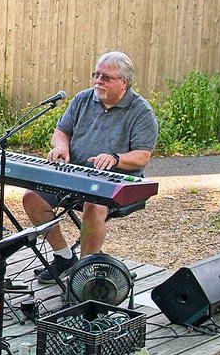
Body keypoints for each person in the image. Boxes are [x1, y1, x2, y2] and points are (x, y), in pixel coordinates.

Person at [21, 50, 158, 281]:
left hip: (115, 183)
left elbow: (143, 156)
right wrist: (61, 147)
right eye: (96, 75)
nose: (98, 81)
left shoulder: (141, 111)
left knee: (93, 205)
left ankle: (83, 272)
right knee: (31, 197)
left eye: (106, 78)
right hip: (75, 174)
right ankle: (64, 258)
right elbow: (61, 131)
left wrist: (116, 158)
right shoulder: (83, 99)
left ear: (124, 83)